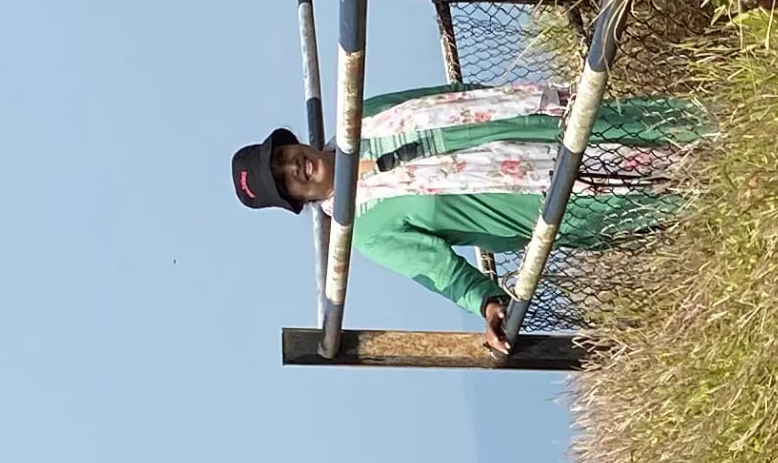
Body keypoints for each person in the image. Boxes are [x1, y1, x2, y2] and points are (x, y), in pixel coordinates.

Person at [229, 82, 701, 340]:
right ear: (297, 200)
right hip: (539, 199)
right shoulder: (368, 228)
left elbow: (447, 97)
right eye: (286, 178)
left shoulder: (361, 114)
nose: (295, 167)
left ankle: (745, 124)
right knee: (671, 203)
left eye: (284, 156)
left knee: (659, 126)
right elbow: (440, 272)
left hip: (535, 123)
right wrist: (487, 303)